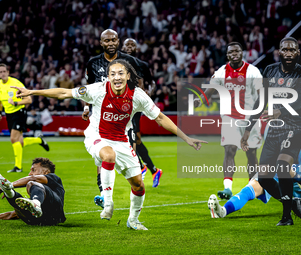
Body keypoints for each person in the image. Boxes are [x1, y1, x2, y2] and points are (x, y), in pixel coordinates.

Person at [12, 59, 207, 230]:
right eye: (112, 74)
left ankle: (133, 220)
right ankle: (107, 202)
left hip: (122, 140)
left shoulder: (137, 95)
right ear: (108, 77)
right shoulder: (97, 89)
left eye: (121, 73)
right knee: (108, 155)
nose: (117, 77)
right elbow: (64, 93)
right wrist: (32, 91)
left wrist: (187, 138)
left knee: (138, 185)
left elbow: (161, 118)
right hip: (96, 136)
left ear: (128, 75)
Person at [241, 37, 301, 226]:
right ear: (279, 52)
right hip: (275, 129)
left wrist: (280, 110)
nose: (288, 53)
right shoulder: (270, 71)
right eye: (285, 50)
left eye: (292, 50)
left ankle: (286, 217)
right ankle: (292, 201)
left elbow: (299, 102)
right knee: (263, 177)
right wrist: (248, 129)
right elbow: (260, 102)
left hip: (295, 127)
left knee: (282, 165)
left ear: (298, 52)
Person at [209, 116, 301, 219]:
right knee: (252, 188)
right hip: (275, 172)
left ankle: (295, 204)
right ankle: (222, 211)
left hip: (297, 176)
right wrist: (298, 177)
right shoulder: (273, 126)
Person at [82, 29, 146, 208]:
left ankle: (135, 182)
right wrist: (87, 107)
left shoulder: (129, 61)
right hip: (100, 115)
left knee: (131, 148)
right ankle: (103, 193)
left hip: (124, 114)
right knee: (102, 155)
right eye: (106, 40)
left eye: (113, 40)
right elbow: (88, 88)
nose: (110, 43)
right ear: (101, 43)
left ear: (118, 41)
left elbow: (139, 84)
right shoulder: (93, 63)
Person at [195, 42, 263, 199]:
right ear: (227, 55)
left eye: (237, 51)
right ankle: (227, 188)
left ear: (242, 53)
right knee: (229, 149)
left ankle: (253, 187)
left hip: (249, 117)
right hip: (229, 116)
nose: (234, 53)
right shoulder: (222, 71)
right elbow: (211, 89)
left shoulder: (253, 71)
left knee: (251, 154)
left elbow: (261, 94)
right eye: (231, 51)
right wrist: (200, 100)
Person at [0, 63, 49, 173]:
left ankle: (18, 167)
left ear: (8, 72)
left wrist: (16, 102)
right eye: (0, 72)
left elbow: (28, 100)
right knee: (20, 142)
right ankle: (39, 140)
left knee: (13, 139)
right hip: (9, 114)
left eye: (4, 71)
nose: (3, 74)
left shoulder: (16, 83)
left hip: (19, 112)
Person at [121, 38, 162, 187]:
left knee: (132, 135)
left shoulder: (142, 65)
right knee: (134, 138)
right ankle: (153, 170)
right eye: (128, 44)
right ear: (123, 47)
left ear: (137, 48)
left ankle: (140, 167)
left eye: (133, 44)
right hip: (121, 103)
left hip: (135, 104)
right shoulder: (117, 63)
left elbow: (151, 82)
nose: (130, 46)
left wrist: (148, 93)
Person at [0, 157, 66, 226]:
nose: (29, 173)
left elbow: (33, 178)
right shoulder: (36, 194)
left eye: (33, 170)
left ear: (45, 172)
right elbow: (13, 214)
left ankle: (10, 190)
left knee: (31, 183)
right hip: (37, 219)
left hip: (55, 214)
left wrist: (11, 184)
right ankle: (9, 192)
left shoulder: (54, 178)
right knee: (17, 200)